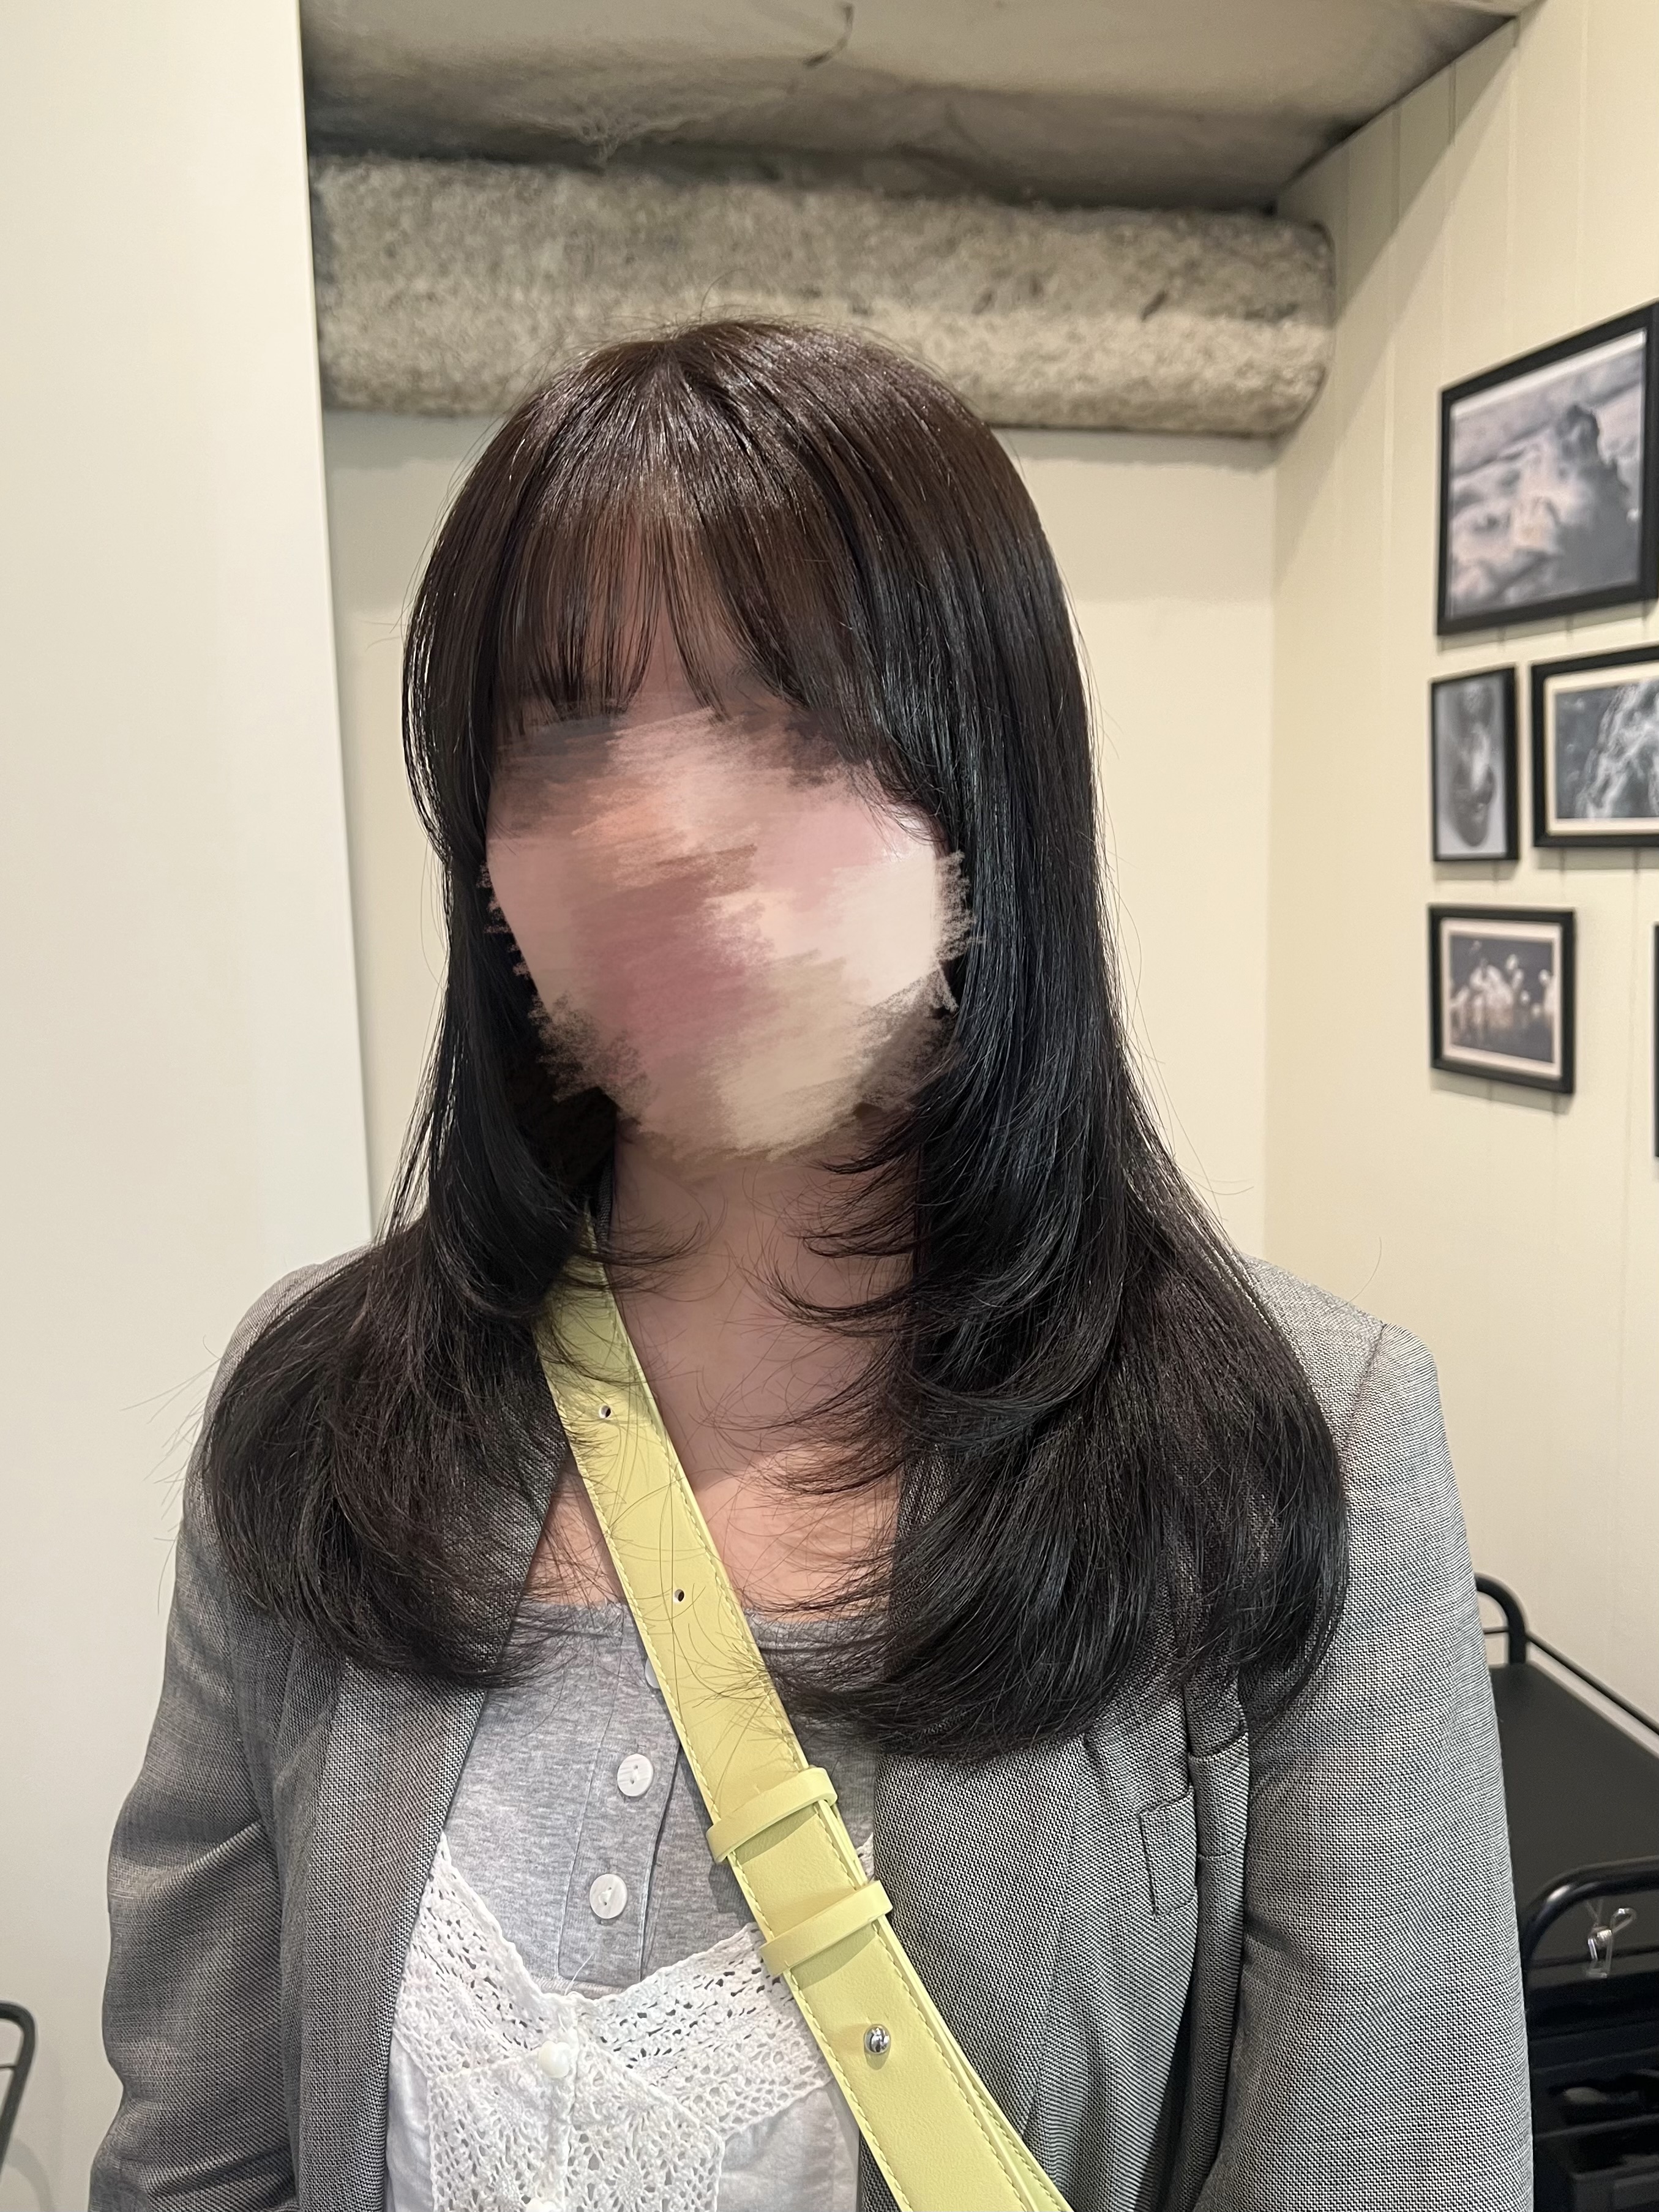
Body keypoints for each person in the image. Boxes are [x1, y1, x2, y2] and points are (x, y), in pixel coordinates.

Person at [91, 321, 1532, 2212]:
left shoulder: (1302, 1442)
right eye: (565, 726)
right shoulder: (318, 1419)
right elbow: (196, 2158)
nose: (663, 829)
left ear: (985, 797)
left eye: (799, 711)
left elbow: (1397, 2167)